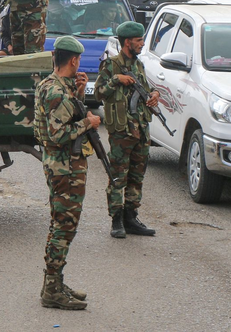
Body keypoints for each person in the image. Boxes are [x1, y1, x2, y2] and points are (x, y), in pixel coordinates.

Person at [35, 35, 100, 310]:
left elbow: (64, 115)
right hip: (65, 169)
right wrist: (88, 122)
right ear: (73, 60)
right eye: (79, 60)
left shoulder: (54, 85)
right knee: (64, 228)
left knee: (59, 225)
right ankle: (52, 289)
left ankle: (54, 283)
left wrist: (80, 93)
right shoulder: (57, 91)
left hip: (62, 166)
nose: (79, 64)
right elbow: (59, 133)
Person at [94, 21, 159, 240]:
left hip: (141, 130)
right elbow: (99, 93)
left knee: (136, 177)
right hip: (122, 132)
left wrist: (153, 95)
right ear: (127, 42)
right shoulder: (112, 65)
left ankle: (131, 217)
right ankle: (116, 221)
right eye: (138, 40)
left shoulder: (138, 64)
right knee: (117, 178)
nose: (142, 44)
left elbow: (145, 89)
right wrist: (116, 80)